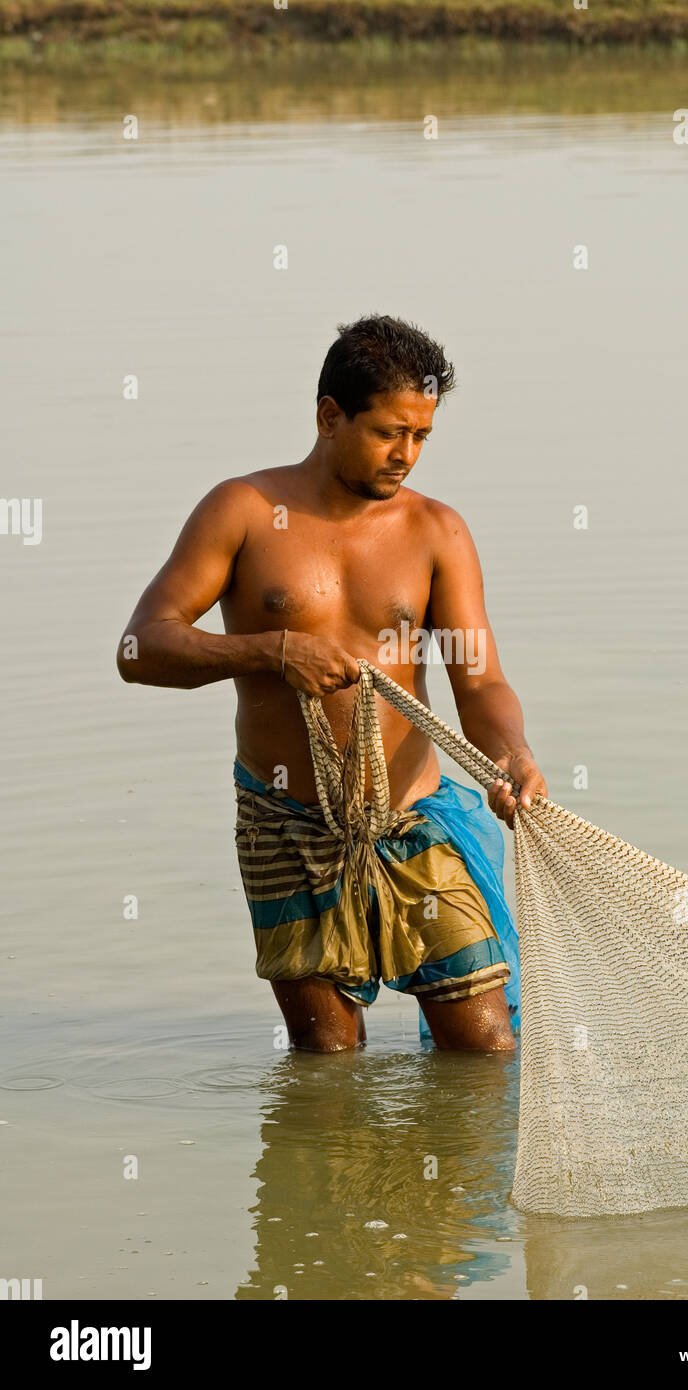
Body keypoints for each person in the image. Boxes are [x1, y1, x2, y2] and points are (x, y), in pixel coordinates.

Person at [117, 314, 547, 1052]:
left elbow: (479, 682)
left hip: (416, 821)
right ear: (328, 416)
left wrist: (512, 755)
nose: (406, 455)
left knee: (482, 1050)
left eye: (421, 437)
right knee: (327, 1056)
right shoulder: (244, 512)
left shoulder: (436, 532)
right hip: (286, 823)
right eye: (387, 433)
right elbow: (140, 648)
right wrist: (272, 651)